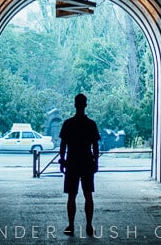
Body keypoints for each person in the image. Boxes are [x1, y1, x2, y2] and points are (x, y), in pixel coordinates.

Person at [59, 93, 101, 236]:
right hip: (87, 161)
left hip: (72, 161)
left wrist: (62, 161)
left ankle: (71, 226)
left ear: (75, 105)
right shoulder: (91, 124)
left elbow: (63, 145)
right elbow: (95, 146)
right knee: (88, 195)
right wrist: (96, 162)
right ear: (85, 105)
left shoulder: (68, 123)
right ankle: (89, 226)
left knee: (72, 195)